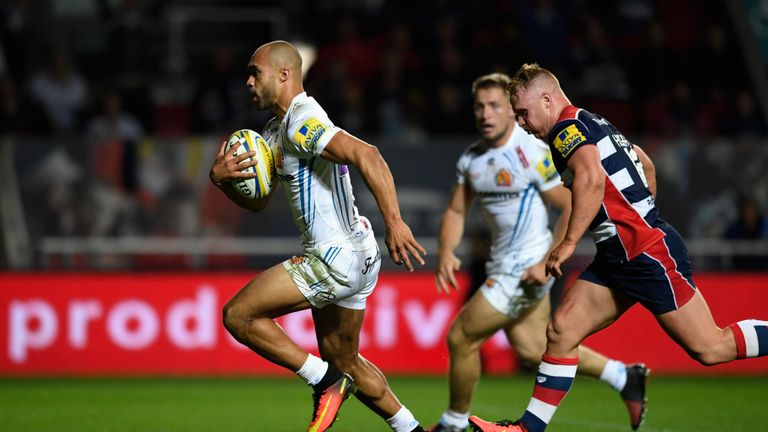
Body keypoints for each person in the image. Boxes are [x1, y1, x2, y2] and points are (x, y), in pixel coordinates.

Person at [468, 63, 768, 432]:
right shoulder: (593, 121)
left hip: (645, 253)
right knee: (561, 330)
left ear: (546, 100)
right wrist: (639, 214)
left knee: (710, 347)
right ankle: (526, 429)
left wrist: (569, 242)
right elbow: (645, 163)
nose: (522, 123)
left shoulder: (564, 129)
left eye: (523, 113)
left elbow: (592, 180)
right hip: (620, 253)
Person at [210, 41, 428, 432]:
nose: (247, 81)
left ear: (283, 75)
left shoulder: (301, 121)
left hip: (332, 259)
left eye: (254, 72)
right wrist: (223, 182)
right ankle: (410, 428)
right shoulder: (278, 129)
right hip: (360, 255)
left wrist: (395, 221)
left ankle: (325, 382)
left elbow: (369, 154)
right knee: (347, 361)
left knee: (238, 315)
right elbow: (259, 204)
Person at [431, 73, 648, 432]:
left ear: (511, 111)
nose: (486, 114)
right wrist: (446, 252)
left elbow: (570, 202)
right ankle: (624, 376)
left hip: (524, 268)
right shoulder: (473, 159)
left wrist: (546, 259)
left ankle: (452, 423)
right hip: (502, 264)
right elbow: (456, 210)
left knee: (460, 336)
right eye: (479, 106)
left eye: (495, 106)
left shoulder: (529, 152)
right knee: (534, 350)